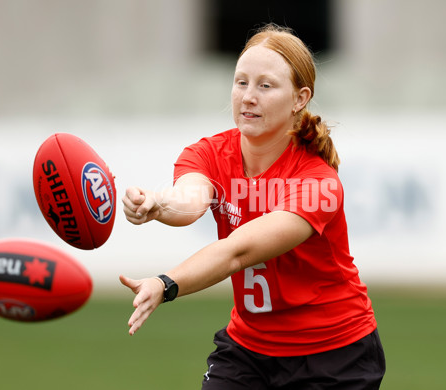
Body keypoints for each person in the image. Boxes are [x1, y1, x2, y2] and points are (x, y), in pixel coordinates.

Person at [120, 24, 385, 390]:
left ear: (299, 98)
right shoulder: (208, 152)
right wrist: (157, 204)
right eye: (241, 82)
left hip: (332, 355)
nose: (248, 96)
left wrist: (166, 284)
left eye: (265, 85)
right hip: (249, 348)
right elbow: (190, 200)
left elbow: (237, 251)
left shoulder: (318, 182)